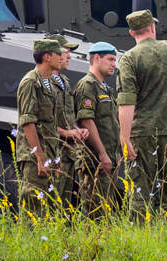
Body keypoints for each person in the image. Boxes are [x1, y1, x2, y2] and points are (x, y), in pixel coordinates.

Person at [117, 10, 167, 213]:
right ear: (153, 27)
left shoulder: (129, 59)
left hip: (142, 134)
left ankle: (142, 237)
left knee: (140, 191)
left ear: (131, 33)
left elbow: (126, 102)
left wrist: (124, 137)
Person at [15, 39, 66, 214]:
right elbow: (28, 122)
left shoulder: (50, 83)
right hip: (34, 158)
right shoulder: (30, 82)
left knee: (49, 210)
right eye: (58, 54)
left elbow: (50, 124)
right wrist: (40, 157)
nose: (62, 57)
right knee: (34, 209)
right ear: (47, 56)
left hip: (49, 154)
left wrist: (55, 156)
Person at [74, 41, 120, 214]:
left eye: (115, 60)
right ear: (96, 58)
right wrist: (102, 154)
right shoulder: (87, 85)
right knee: (95, 211)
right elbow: (86, 120)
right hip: (95, 161)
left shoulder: (105, 88)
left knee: (107, 209)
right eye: (110, 59)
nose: (114, 65)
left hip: (108, 159)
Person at [46, 34, 89, 206]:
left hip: (68, 153)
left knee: (64, 203)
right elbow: (42, 123)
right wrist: (68, 133)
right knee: (52, 203)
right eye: (65, 52)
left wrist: (76, 129)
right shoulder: (42, 83)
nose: (69, 56)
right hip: (53, 153)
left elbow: (67, 116)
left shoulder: (64, 81)